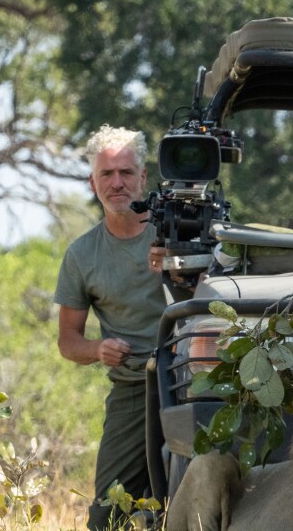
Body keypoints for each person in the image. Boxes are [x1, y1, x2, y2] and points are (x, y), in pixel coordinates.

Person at [53, 124, 167, 530]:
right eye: (107, 174)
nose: (117, 183)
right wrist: (98, 350)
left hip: (195, 380)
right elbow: (68, 341)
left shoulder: (177, 231)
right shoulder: (82, 254)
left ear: (143, 178)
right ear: (93, 182)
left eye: (125, 172)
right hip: (134, 390)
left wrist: (178, 270)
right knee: (106, 517)